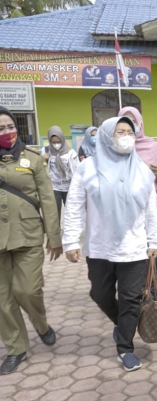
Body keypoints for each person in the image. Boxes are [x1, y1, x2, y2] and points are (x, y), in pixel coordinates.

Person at [63, 116, 157, 372]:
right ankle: (123, 324)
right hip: (99, 247)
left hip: (135, 248)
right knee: (100, 294)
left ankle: (125, 347)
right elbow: (74, 207)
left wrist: (154, 241)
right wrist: (71, 240)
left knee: (130, 300)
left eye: (130, 131)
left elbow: (151, 210)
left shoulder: (142, 169)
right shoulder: (87, 168)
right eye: (119, 132)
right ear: (106, 136)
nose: (126, 136)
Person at [0, 106, 62, 375]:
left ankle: (41, 324)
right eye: (1, 129)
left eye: (10, 127)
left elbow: (47, 199)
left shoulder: (33, 159)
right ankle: (16, 348)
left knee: (27, 290)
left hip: (27, 235)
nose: (6, 132)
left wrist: (54, 237)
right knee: (2, 299)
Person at [118, 106, 157, 288]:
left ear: (140, 123)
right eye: (126, 121)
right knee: (129, 259)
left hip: (150, 209)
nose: (131, 126)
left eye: (134, 122)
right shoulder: (114, 148)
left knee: (153, 255)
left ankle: (153, 297)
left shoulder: (153, 145)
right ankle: (133, 296)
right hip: (123, 210)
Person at [43, 126, 80, 221]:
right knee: (55, 210)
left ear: (62, 140)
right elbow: (41, 168)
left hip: (68, 186)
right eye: (53, 142)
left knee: (70, 211)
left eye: (58, 142)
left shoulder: (71, 153)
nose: (56, 144)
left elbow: (77, 169)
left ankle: (70, 230)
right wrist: (44, 160)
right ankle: (56, 230)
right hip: (54, 186)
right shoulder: (46, 151)